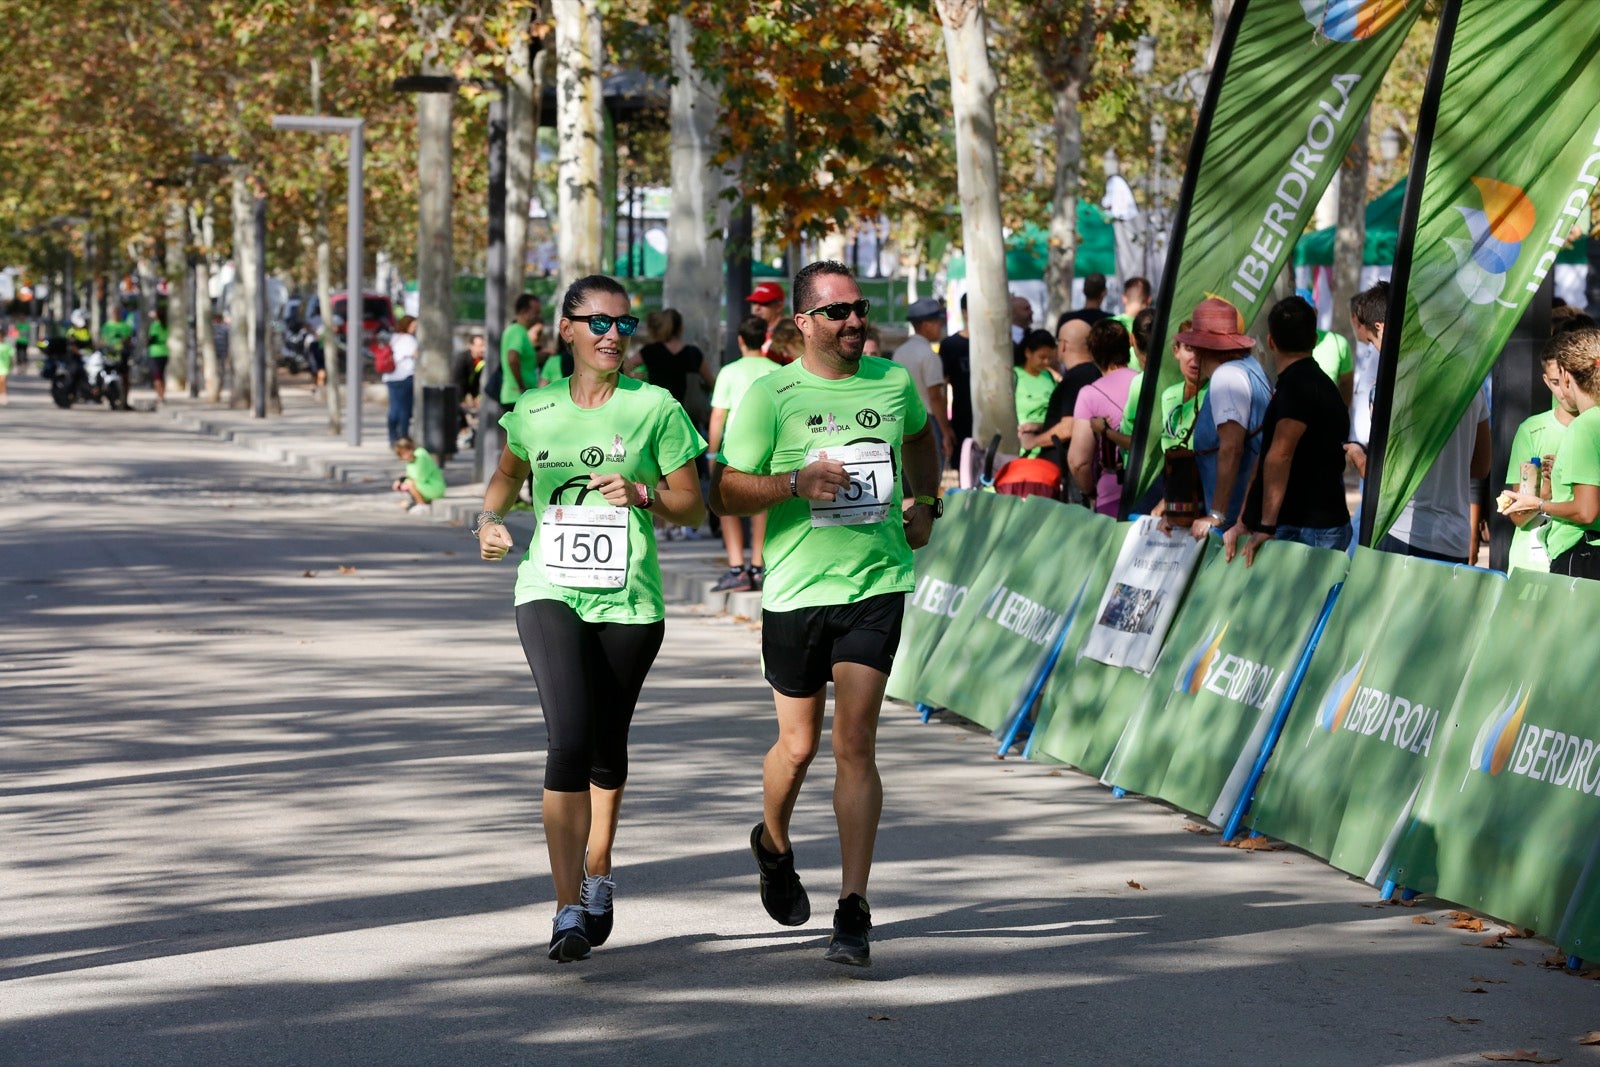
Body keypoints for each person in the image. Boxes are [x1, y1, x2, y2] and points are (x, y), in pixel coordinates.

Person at [712, 259, 941, 968]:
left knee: (855, 741)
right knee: (799, 745)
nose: (853, 321)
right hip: (795, 592)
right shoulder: (770, 393)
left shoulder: (893, 381)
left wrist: (927, 501)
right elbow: (722, 490)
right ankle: (773, 843)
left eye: (859, 308)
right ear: (803, 323)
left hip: (874, 582)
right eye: (837, 311)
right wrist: (792, 481)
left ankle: (853, 907)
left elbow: (922, 438)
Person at [475, 273, 707, 964]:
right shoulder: (536, 407)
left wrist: (644, 493)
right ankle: (566, 906)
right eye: (599, 323)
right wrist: (489, 518)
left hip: (630, 599)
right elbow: (508, 476)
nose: (612, 335)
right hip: (548, 587)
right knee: (568, 737)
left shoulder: (655, 406)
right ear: (567, 329)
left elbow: (693, 503)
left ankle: (598, 866)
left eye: (623, 325)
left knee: (608, 740)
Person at [1231, 297, 1352, 564]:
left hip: (1309, 530)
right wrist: (1245, 520)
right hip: (1315, 524)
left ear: (1271, 342)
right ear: (1314, 339)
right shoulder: (1313, 385)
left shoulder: (1298, 388)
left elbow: (1279, 456)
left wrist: (1265, 526)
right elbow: (1266, 459)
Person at [1504, 328, 1600, 580]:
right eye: (1552, 382)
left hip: (1579, 555)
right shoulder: (1532, 430)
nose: (1560, 391)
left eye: (1561, 380)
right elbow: (1518, 516)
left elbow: (1586, 510)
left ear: (1568, 376)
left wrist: (1539, 502)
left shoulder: (1585, 427)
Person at [1176, 297, 1272, 539]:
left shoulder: (1226, 377)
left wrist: (1217, 515)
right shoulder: (1250, 366)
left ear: (1199, 346)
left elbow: (1231, 449)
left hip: (1237, 526)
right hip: (1251, 517)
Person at [708, 315, 780, 592]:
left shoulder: (729, 372)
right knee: (761, 504)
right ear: (764, 339)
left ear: (739, 340)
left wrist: (712, 453)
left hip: (735, 447)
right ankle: (758, 566)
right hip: (769, 445)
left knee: (725, 504)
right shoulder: (777, 370)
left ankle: (737, 568)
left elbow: (718, 416)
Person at [1069, 318, 1136, 517]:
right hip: (1154, 492)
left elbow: (1078, 462)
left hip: (1112, 494)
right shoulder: (1146, 383)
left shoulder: (1089, 394)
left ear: (1092, 353)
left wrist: (1090, 493)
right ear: (1129, 344)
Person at [893, 297, 954, 466]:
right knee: (930, 476)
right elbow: (935, 397)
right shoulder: (929, 356)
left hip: (903, 421)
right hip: (927, 422)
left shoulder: (899, 352)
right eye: (938, 321)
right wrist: (946, 432)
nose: (941, 326)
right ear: (927, 324)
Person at [1025, 318, 1098, 454]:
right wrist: (1041, 427)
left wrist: (1033, 441)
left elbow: (1068, 428)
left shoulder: (1076, 378)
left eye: (1058, 342)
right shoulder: (1093, 373)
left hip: (1059, 469)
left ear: (1063, 345)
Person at [637, 308, 715, 411]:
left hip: (655, 411)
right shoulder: (693, 353)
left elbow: (626, 365)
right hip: (684, 415)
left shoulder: (650, 351)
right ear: (681, 328)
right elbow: (712, 384)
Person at [1299, 288, 1354, 407]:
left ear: (1316, 312)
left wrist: (1339, 417)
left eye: (1307, 312)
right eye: (1297, 313)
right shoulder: (1281, 343)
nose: (1303, 318)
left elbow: (1347, 383)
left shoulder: (1338, 343)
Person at [1013, 329, 1061, 457]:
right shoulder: (1015, 375)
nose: (1046, 362)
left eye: (1050, 358)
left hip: (1047, 446)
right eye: (1042, 357)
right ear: (1028, 352)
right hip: (1022, 450)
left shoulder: (1049, 377)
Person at [940, 293, 973, 456]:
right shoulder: (950, 345)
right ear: (965, 311)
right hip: (962, 419)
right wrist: (946, 426)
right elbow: (942, 387)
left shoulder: (998, 345)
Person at [500, 293, 543, 403]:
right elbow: (513, 358)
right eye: (536, 313)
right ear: (524, 312)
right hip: (516, 396)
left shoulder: (519, 331)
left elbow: (526, 361)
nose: (539, 316)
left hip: (517, 396)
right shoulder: (518, 331)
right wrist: (521, 386)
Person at [384, 315, 418, 446]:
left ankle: (393, 438)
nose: (415, 329)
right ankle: (403, 436)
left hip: (391, 377)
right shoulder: (409, 339)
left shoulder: (394, 338)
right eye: (413, 326)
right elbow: (416, 354)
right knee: (405, 409)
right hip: (405, 376)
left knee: (394, 409)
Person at [392, 436, 447, 513]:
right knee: (406, 483)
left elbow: (419, 477)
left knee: (409, 484)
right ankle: (419, 502)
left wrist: (404, 483)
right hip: (425, 485)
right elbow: (409, 476)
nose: (405, 456)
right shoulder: (410, 462)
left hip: (434, 486)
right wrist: (400, 481)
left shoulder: (420, 455)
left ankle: (423, 505)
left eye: (405, 453)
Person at [745, 281, 787, 356]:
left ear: (779, 306)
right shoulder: (751, 333)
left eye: (763, 303)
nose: (757, 308)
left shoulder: (791, 334)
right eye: (754, 302)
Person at [146, 308, 170, 404]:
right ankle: (162, 395)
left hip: (155, 352)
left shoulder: (155, 325)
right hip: (164, 351)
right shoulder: (166, 325)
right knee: (162, 374)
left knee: (156, 376)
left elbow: (152, 338)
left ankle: (159, 395)